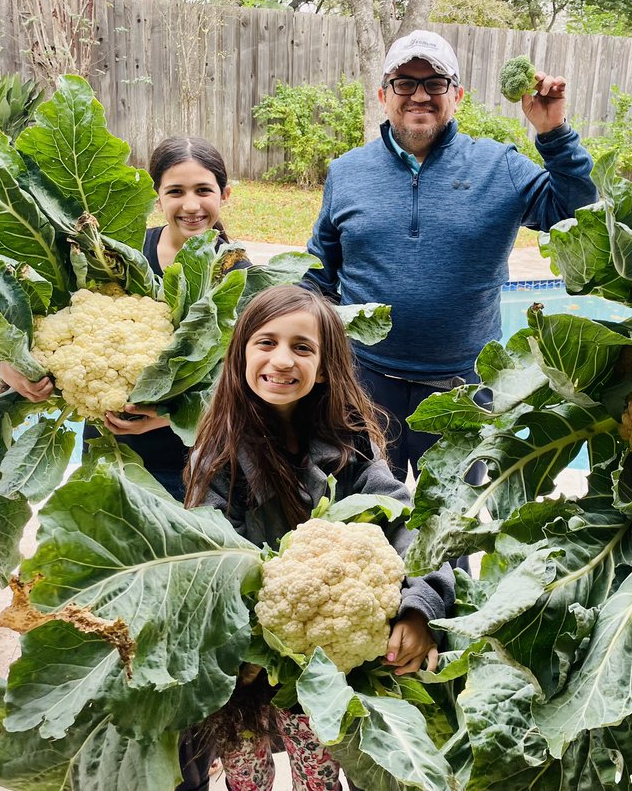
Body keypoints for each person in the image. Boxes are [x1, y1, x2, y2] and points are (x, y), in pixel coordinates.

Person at [0, 135, 244, 791]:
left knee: (180, 626)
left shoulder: (239, 273)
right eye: (176, 191)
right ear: (156, 196)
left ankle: (186, 767)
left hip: (201, 475)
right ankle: (103, 752)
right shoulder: (111, 263)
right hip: (113, 471)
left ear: (225, 197)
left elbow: (264, 379)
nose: (190, 204)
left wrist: (171, 411)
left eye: (203, 190)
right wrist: (13, 363)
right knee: (102, 621)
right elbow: (31, 323)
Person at [184, 284, 454, 790]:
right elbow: (204, 559)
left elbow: (411, 525)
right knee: (247, 770)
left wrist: (420, 608)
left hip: (329, 666)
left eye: (302, 348)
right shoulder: (218, 455)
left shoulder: (349, 443)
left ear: (326, 366)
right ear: (240, 352)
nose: (282, 360)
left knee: (322, 768)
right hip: (241, 668)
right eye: (266, 343)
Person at [303, 29, 598, 483]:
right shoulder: (347, 172)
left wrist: (552, 132)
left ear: (456, 96)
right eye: (405, 82)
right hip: (363, 382)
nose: (419, 95)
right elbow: (319, 272)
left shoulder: (499, 166)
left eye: (435, 83)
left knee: (448, 529)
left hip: (462, 388)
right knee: (367, 519)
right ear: (384, 95)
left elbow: (576, 216)